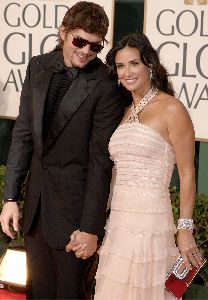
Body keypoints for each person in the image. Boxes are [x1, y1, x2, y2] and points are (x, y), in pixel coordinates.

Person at [0, 2, 125, 299]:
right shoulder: (38, 66)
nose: (86, 51)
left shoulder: (106, 84)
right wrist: (10, 197)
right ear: (63, 32)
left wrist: (90, 228)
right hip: (36, 207)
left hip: (74, 216)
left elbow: (100, 162)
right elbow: (23, 135)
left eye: (95, 46)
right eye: (79, 41)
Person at [92, 33, 203, 299]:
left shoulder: (172, 109)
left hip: (150, 222)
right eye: (120, 66)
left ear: (150, 64)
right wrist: (96, 222)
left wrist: (185, 229)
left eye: (134, 63)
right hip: (118, 223)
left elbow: (187, 173)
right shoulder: (123, 110)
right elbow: (116, 173)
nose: (126, 72)